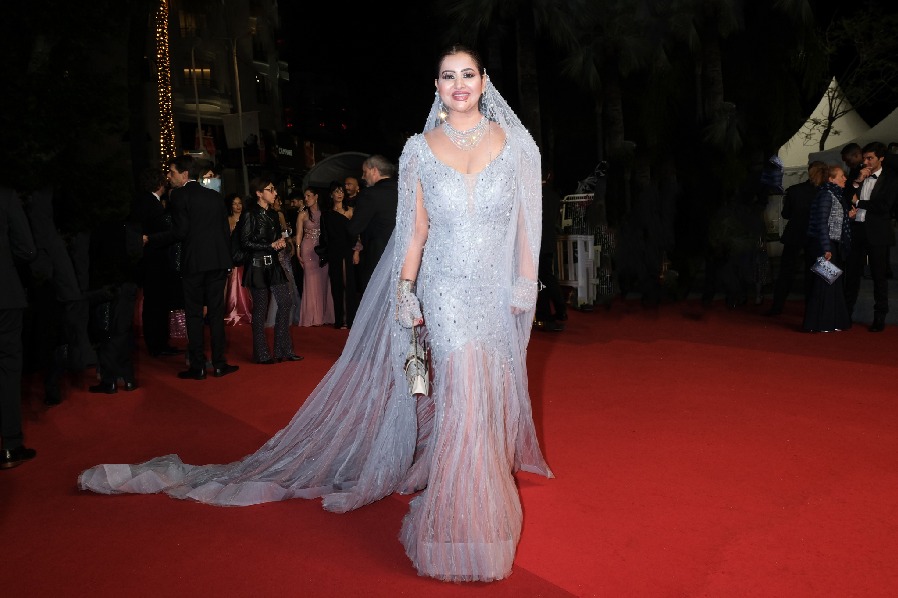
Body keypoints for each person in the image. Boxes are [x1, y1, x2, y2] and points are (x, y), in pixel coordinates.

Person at [78, 44, 552, 583]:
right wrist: (404, 289)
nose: (459, 83)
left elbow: (525, 224)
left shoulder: (515, 145)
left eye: (468, 74)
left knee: (482, 398)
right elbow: (416, 232)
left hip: (492, 293)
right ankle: (461, 529)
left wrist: (523, 282)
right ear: (437, 87)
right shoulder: (419, 149)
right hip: (444, 294)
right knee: (464, 396)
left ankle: (475, 508)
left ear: (484, 82)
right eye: (448, 75)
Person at [167, 155, 238, 379]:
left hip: (194, 263)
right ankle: (219, 364)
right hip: (217, 261)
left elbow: (180, 232)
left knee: (194, 315)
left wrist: (155, 239)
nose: (169, 176)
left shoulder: (178, 195)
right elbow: (225, 232)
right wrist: (227, 261)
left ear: (184, 174)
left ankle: (197, 367)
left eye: (172, 172)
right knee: (216, 314)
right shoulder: (214, 197)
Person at [240, 178, 302, 364]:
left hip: (274, 264)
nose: (275, 193)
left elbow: (275, 240)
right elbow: (245, 242)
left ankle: (283, 350)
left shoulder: (274, 215)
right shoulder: (250, 214)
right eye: (270, 189)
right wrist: (270, 245)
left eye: (274, 189)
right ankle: (261, 354)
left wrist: (280, 243)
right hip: (257, 266)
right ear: (259, 193)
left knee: (286, 302)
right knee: (260, 310)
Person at [843, 142, 898, 332]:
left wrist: (859, 203)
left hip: (878, 233)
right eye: (864, 158)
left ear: (881, 158)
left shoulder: (891, 178)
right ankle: (846, 314)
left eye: (870, 158)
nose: (865, 162)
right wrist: (857, 181)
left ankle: (879, 317)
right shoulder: (856, 173)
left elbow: (884, 206)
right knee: (851, 274)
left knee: (879, 276)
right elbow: (845, 196)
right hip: (856, 230)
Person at [0, 186, 37, 468]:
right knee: (7, 367)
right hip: (5, 295)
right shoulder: (6, 197)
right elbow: (26, 249)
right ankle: (10, 445)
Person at [132, 167, 183, 356]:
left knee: (153, 303)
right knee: (157, 304)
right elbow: (165, 232)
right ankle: (158, 344)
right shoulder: (152, 205)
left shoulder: (142, 201)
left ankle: (156, 343)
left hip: (148, 261)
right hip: (155, 262)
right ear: (159, 184)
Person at [766, 161, 825, 316]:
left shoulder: (794, 190)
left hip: (795, 234)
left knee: (786, 272)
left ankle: (777, 306)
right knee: (813, 273)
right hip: (815, 236)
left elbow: (786, 214)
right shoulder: (825, 192)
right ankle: (811, 308)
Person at [802, 164, 852, 333]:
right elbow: (821, 223)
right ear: (831, 179)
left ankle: (831, 322)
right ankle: (819, 324)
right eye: (841, 176)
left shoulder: (834, 195)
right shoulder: (826, 195)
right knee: (824, 283)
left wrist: (848, 216)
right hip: (825, 244)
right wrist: (826, 248)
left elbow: (831, 220)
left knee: (832, 283)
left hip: (831, 243)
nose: (845, 178)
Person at [347, 155, 398, 294]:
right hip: (404, 258)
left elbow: (354, 228)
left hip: (377, 259)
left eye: (365, 172)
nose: (363, 177)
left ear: (374, 171)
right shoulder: (405, 191)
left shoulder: (370, 194)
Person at [295, 187, 335, 327]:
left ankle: (324, 315)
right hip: (307, 250)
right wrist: (298, 251)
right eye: (305, 196)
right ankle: (312, 316)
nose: (306, 199)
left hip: (322, 250)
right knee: (310, 282)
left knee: (323, 281)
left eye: (309, 195)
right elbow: (299, 234)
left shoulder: (325, 213)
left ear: (316, 196)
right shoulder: (302, 214)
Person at [321, 181, 358, 329]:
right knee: (336, 285)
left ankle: (350, 319)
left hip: (348, 250)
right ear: (331, 194)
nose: (340, 194)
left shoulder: (350, 211)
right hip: (334, 251)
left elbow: (357, 233)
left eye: (342, 191)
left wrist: (357, 251)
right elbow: (325, 236)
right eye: (336, 191)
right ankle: (339, 320)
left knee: (348, 284)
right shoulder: (326, 214)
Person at [534, 167, 567, 331]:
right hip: (548, 241)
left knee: (542, 278)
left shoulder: (532, 194)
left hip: (536, 242)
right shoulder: (554, 196)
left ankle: (551, 313)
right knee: (545, 277)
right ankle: (549, 313)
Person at [224, 193, 252, 325]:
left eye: (239, 203)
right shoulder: (227, 220)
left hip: (246, 256)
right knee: (234, 281)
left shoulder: (247, 218)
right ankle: (234, 311)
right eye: (234, 204)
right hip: (232, 256)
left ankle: (246, 310)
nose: (237, 206)